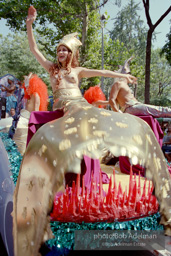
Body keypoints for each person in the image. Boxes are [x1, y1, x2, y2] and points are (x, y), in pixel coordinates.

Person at [13, 6, 171, 256]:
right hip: (65, 111)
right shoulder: (51, 69)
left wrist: (122, 76)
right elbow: (34, 49)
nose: (61, 52)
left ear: (72, 53)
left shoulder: (77, 71)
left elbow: (101, 72)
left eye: (65, 49)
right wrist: (30, 23)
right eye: (59, 49)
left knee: (103, 119)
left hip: (81, 107)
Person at [12, 73, 48, 155]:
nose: (27, 88)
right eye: (26, 87)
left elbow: (36, 112)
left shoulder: (35, 95)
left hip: (27, 120)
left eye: (29, 86)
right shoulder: (28, 97)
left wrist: (33, 124)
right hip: (23, 118)